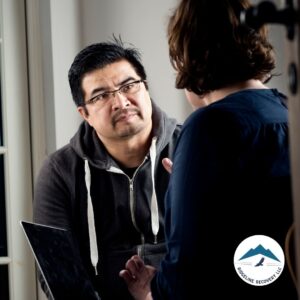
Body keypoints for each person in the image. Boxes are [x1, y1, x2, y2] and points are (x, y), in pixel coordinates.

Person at [119, 0, 298, 299]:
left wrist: (152, 291)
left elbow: (189, 276)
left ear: (187, 56)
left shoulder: (209, 127)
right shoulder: (289, 111)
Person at [33, 37, 181, 300]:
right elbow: (56, 273)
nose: (120, 102)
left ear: (145, 88)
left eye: (129, 86)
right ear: (84, 113)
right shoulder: (60, 172)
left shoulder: (189, 149)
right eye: (101, 96)